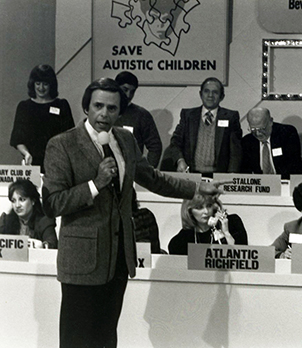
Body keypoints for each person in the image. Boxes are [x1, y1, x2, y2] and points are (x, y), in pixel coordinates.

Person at [42, 77, 227, 348]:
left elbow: (153, 179)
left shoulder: (125, 140)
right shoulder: (62, 144)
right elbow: (53, 203)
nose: (104, 114)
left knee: (107, 338)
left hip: (118, 258)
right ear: (86, 108)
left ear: (120, 111)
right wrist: (95, 184)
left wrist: (198, 189)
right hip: (81, 262)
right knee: (77, 340)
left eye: (112, 108)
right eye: (98, 106)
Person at [160, 77, 242, 175]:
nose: (210, 95)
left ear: (222, 96)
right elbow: (175, 142)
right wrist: (180, 161)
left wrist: (232, 173)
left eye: (215, 92)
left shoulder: (231, 117)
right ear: (200, 94)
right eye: (206, 91)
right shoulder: (188, 116)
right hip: (191, 174)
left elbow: (235, 151)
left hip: (219, 176)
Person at [10, 64, 74, 173]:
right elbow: (17, 139)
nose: (41, 88)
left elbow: (70, 136)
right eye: (38, 84)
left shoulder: (62, 105)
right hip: (32, 163)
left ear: (51, 85)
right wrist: (26, 154)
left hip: (58, 163)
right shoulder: (24, 107)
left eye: (45, 84)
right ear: (32, 84)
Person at [168, 194, 248, 255]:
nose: (206, 211)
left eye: (209, 206)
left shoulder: (233, 223)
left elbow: (243, 257)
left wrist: (226, 233)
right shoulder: (180, 241)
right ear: (190, 211)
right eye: (199, 208)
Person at [241, 107, 302, 179]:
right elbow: (245, 170)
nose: (258, 134)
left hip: (289, 181)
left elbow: (292, 164)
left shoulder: (286, 133)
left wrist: (274, 184)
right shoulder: (247, 141)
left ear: (270, 121)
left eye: (262, 129)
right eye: (253, 129)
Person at [114, 71, 163, 167]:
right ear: (116, 87)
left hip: (131, 173)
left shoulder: (141, 115)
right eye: (125, 89)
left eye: (132, 91)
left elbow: (155, 146)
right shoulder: (105, 111)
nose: (128, 95)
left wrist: (147, 173)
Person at [0, 179, 57, 249]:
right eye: (13, 201)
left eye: (22, 199)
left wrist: (42, 245)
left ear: (33, 201)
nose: (17, 205)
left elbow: (52, 243)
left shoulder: (44, 221)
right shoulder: (5, 220)